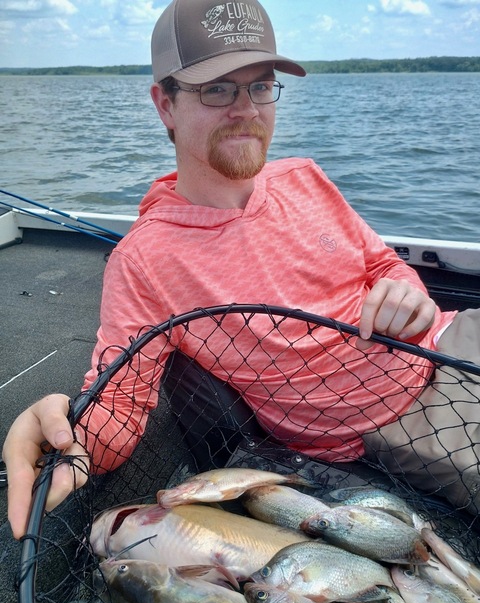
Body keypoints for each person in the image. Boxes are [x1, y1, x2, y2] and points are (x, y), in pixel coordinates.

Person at [3, 0, 480, 543]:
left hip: (452, 334)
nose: (247, 109)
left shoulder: (305, 176)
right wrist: (65, 433)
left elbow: (382, 263)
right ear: (165, 105)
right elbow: (120, 401)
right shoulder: (147, 260)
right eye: (217, 88)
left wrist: (405, 289)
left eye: (260, 86)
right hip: (400, 419)